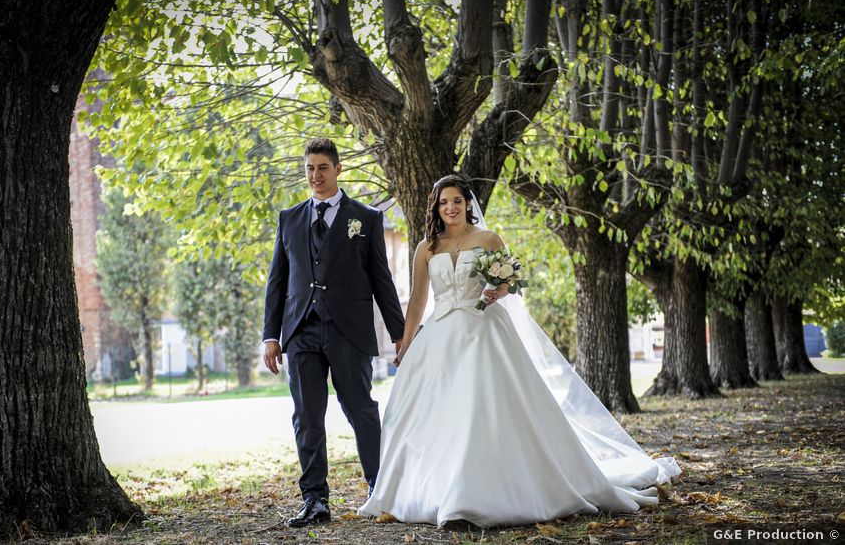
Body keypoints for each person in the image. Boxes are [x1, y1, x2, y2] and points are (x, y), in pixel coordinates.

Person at [358, 175, 681, 527]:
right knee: (434, 414)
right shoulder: (426, 248)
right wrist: (406, 342)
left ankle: (472, 498)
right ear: (435, 208)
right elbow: (419, 298)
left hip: (483, 331)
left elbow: (509, 281)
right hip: (440, 336)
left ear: (467, 203)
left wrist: (500, 289)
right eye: (443, 202)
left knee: (481, 410)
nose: (450, 208)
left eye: (456, 201)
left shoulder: (487, 239)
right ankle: (436, 490)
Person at [263, 138, 405, 528]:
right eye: (309, 168)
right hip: (301, 331)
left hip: (349, 332)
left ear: (338, 169)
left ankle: (379, 489)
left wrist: (400, 333)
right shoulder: (289, 219)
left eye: (322, 167)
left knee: (361, 410)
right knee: (307, 417)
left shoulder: (367, 218)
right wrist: (270, 335)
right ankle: (314, 500)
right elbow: (277, 281)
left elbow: (382, 280)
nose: (315, 175)